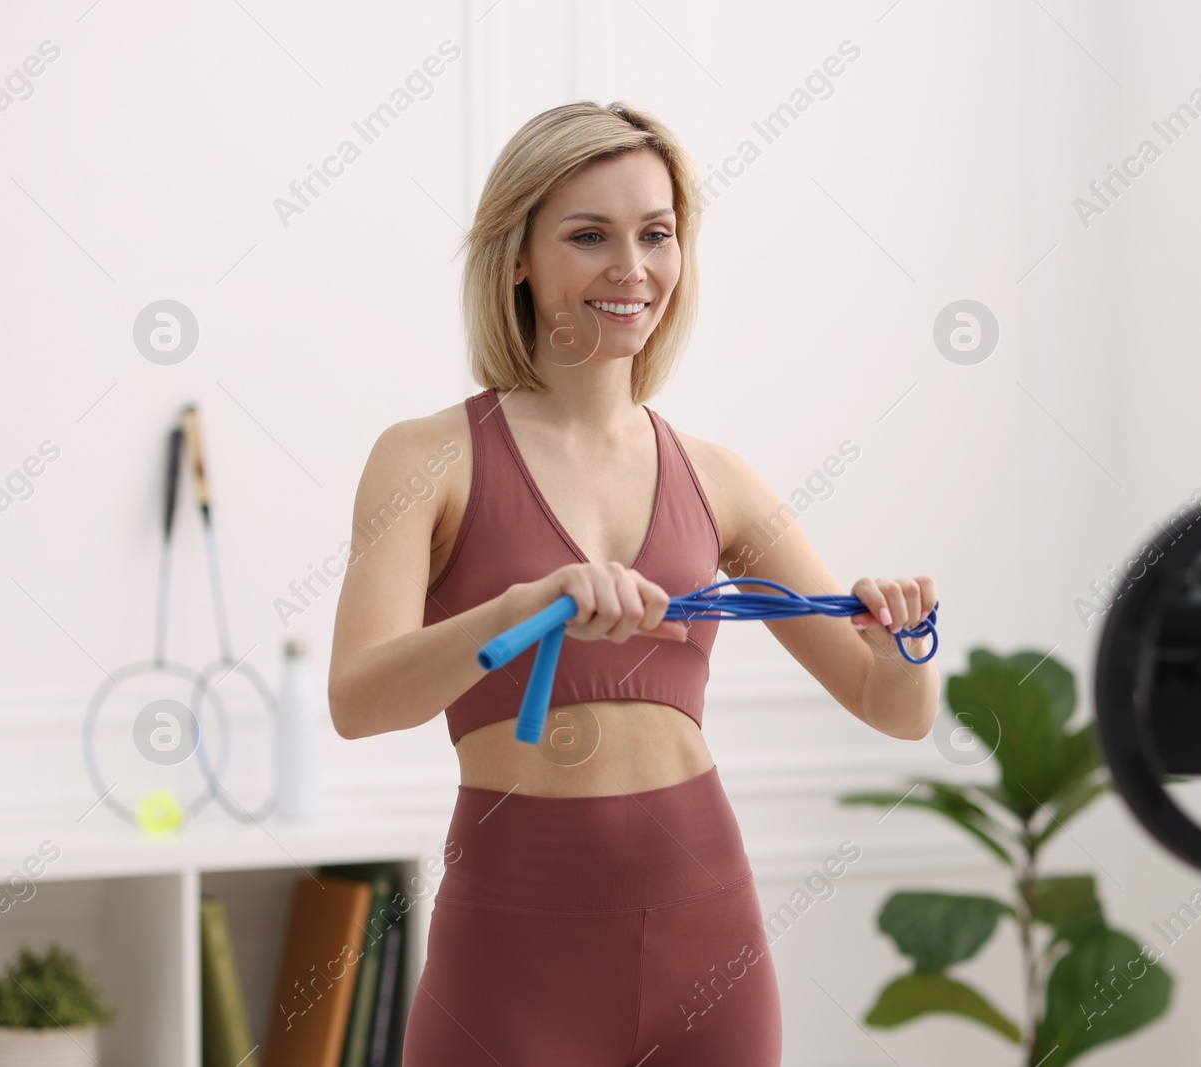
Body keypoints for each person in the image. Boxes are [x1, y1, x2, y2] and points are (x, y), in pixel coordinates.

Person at [327, 100, 940, 1067]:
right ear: (518, 256)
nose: (632, 268)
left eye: (657, 234)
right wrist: (520, 608)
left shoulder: (719, 476)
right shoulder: (427, 458)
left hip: (709, 936)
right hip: (512, 944)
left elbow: (890, 707)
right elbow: (357, 700)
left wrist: (900, 640)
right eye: (589, 235)